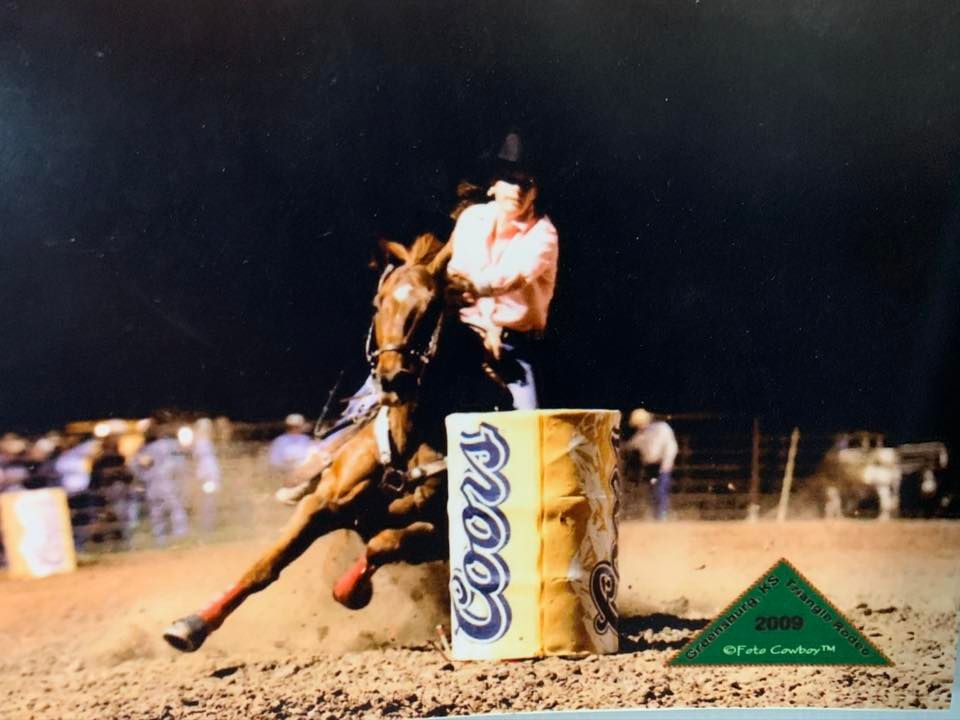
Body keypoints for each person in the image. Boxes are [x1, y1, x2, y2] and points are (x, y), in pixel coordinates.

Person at [445, 131, 559, 410]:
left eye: (526, 183)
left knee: (527, 426)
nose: (518, 189)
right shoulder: (472, 219)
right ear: (493, 185)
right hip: (465, 337)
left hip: (516, 349)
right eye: (510, 180)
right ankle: (337, 433)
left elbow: (511, 277)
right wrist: (488, 327)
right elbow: (459, 273)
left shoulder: (543, 233)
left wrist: (492, 325)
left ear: (536, 191)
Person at [131, 423, 190, 545]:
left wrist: (144, 477)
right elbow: (180, 463)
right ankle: (179, 536)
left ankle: (161, 539)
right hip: (165, 483)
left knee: (159, 512)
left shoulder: (145, 449)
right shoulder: (169, 444)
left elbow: (135, 467)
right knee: (174, 509)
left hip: (154, 484)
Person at [626, 408, 678, 521]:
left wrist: (667, 462)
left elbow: (671, 447)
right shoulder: (642, 434)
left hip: (662, 463)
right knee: (654, 491)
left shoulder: (662, 428)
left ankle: (661, 516)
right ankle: (657, 516)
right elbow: (632, 444)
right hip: (651, 465)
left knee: (660, 490)